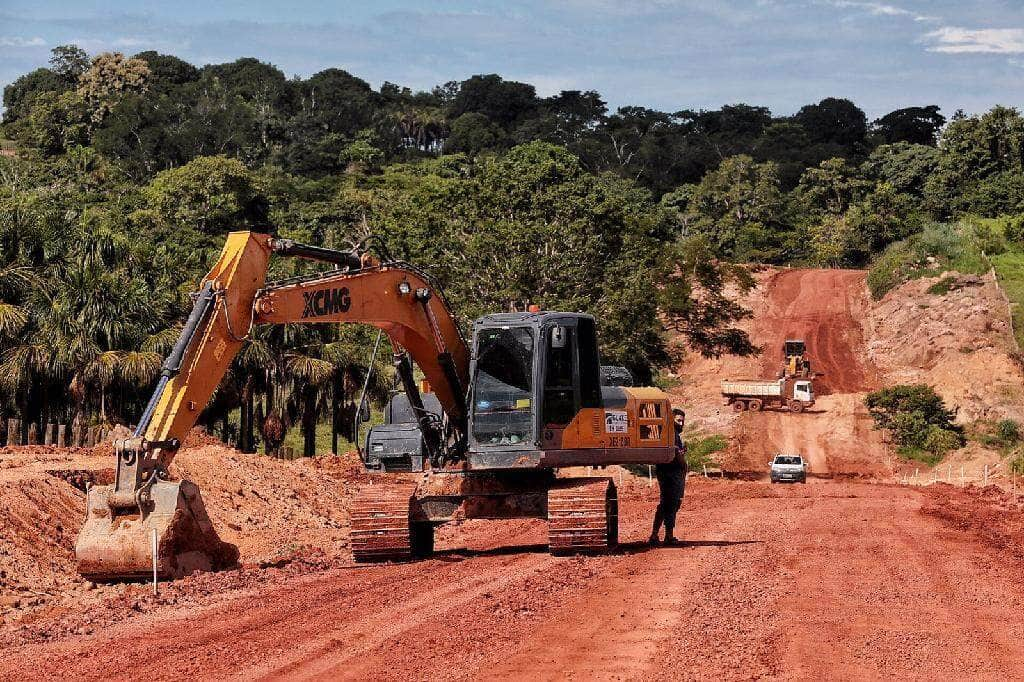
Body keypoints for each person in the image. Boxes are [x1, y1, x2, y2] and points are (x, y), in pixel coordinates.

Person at [650, 407, 687, 546]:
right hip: (671, 473)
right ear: (671, 419)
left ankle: (656, 535)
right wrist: (683, 464)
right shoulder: (672, 433)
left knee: (666, 504)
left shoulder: (672, 433)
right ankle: (668, 536)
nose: (681, 424)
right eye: (678, 420)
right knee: (671, 504)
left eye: (683, 421)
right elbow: (677, 455)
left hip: (667, 472)